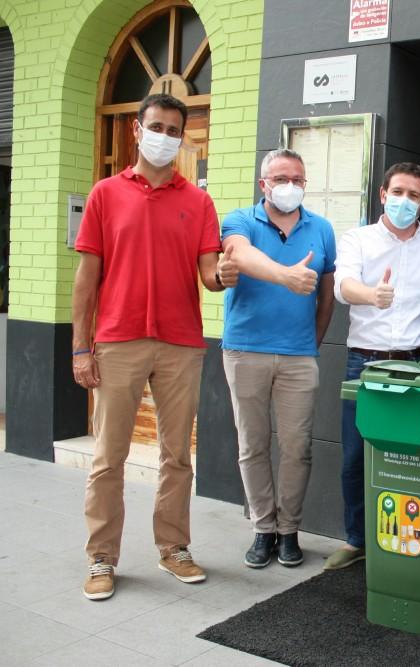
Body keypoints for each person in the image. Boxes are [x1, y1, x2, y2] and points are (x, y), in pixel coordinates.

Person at [72, 93, 237, 601]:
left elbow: (208, 273)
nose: (164, 136)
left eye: (173, 130)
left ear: (183, 137)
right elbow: (86, 277)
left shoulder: (199, 202)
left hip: (180, 343)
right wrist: (80, 347)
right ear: (137, 130)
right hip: (117, 339)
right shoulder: (105, 194)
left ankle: (174, 548)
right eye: (156, 127)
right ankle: (102, 557)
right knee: (108, 457)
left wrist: (224, 275)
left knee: (177, 456)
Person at [324, 162, 420, 570]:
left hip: (418, 364)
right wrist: (371, 295)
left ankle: (410, 540)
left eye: (414, 195)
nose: (404, 201)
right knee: (356, 456)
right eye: (397, 192)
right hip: (366, 363)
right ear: (382, 194)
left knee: (415, 458)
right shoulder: (358, 239)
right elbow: (343, 285)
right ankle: (357, 539)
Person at [221, 148, 336, 569]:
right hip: (245, 350)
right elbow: (238, 254)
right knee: (252, 445)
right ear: (263, 183)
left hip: (298, 357)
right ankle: (263, 528)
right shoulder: (240, 220)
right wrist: (285, 275)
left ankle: (288, 531)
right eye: (281, 178)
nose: (290, 186)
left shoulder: (321, 228)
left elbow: (327, 297)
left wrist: (311, 342)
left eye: (298, 179)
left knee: (297, 448)